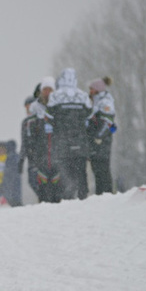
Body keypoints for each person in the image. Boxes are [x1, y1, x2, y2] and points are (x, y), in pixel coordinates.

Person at [45, 68, 93, 200]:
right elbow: (89, 117)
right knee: (81, 172)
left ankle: (68, 197)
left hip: (62, 143)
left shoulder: (55, 96)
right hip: (80, 143)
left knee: (66, 173)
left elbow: (48, 117)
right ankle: (83, 196)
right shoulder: (83, 96)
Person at [87, 76, 116, 194]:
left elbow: (108, 122)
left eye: (92, 89)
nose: (90, 91)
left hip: (102, 142)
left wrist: (98, 137)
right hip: (96, 143)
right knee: (97, 169)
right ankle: (101, 194)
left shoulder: (105, 102)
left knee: (103, 169)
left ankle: (107, 193)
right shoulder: (96, 102)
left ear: (97, 90)